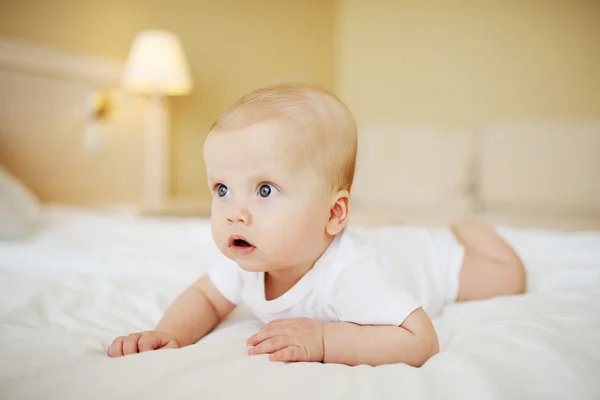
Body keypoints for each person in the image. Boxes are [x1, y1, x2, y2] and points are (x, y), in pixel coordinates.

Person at [107, 82, 526, 366]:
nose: (234, 212)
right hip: (379, 245)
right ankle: (388, 232)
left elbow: (420, 338)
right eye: (221, 189)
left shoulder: (350, 276)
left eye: (265, 190)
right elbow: (206, 297)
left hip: (429, 261)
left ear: (333, 214)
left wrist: (325, 341)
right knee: (384, 242)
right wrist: (170, 334)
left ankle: (468, 227)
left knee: (507, 278)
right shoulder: (248, 260)